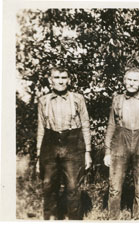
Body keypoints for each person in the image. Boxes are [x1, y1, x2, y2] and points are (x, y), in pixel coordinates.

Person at [36, 67, 92, 220]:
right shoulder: (43, 100)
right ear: (50, 80)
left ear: (69, 80)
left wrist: (88, 152)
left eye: (63, 77)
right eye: (57, 77)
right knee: (48, 185)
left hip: (73, 143)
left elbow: (85, 125)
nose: (60, 81)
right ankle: (51, 220)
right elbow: (41, 127)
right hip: (50, 143)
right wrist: (38, 155)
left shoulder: (78, 99)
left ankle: (74, 220)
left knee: (73, 187)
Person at [103, 67, 139, 220]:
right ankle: (113, 219)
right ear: (124, 81)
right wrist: (107, 151)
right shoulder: (117, 99)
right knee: (114, 185)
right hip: (120, 141)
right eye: (129, 79)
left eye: (135, 80)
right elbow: (111, 126)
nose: (131, 83)